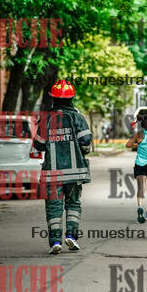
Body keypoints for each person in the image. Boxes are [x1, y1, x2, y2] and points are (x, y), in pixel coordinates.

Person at [33, 79, 92, 255]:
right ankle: (71, 236)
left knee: (54, 206)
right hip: (75, 173)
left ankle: (55, 242)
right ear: (71, 98)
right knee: (73, 203)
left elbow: (39, 144)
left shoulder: (46, 119)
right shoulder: (77, 117)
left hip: (52, 173)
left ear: (53, 98)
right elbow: (86, 142)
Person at [126, 112, 147, 222]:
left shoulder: (138, 134)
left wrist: (137, 144)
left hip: (140, 164)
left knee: (141, 188)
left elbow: (128, 145)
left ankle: (140, 207)